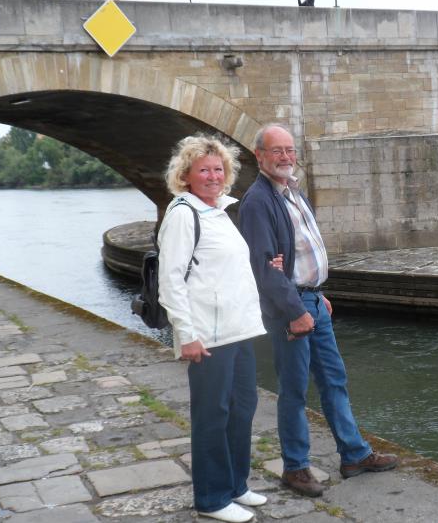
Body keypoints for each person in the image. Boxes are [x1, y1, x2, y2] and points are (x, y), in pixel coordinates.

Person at [238, 124, 398, 498]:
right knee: (294, 390)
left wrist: (316, 292)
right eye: (277, 150)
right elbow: (264, 267)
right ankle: (295, 467)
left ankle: (354, 455)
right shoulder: (258, 201)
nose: (285, 156)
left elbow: (299, 252)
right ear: (259, 156)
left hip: (312, 300)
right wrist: (296, 308)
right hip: (289, 308)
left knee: (334, 380)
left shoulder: (294, 192)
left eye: (290, 150)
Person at [159, 134, 278, 523]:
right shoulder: (183, 214)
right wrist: (186, 335)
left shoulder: (220, 211)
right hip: (208, 336)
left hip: (238, 329)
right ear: (186, 175)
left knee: (242, 408)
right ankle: (211, 499)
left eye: (217, 169)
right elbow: (171, 281)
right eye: (203, 170)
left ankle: (235, 485)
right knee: (212, 415)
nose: (212, 176)